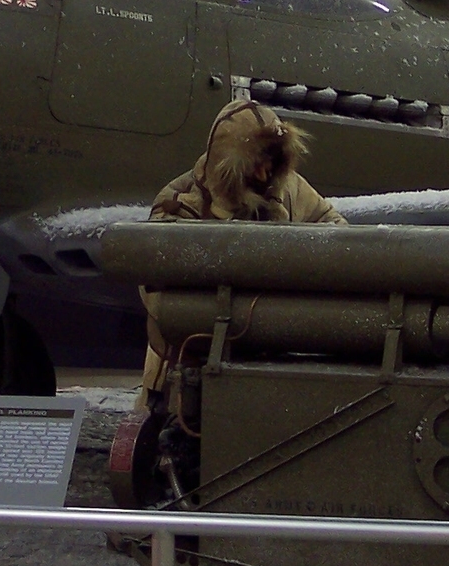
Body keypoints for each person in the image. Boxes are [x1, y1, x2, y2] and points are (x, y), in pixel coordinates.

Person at [138, 100, 344, 401]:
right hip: (187, 364)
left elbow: (334, 229)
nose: (264, 174)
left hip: (268, 359)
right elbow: (160, 300)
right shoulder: (179, 204)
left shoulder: (289, 187)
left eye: (271, 159)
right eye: (254, 163)